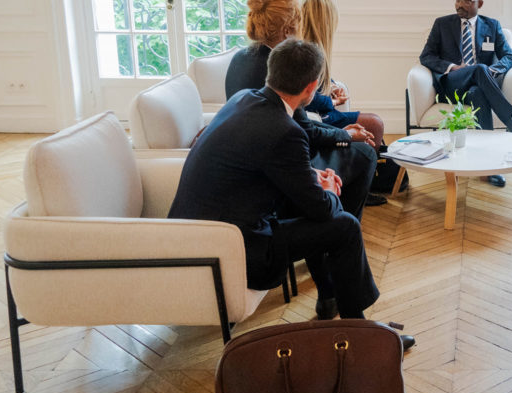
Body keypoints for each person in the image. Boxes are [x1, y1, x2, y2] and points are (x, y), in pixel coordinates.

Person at [169, 39, 413, 350]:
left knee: (314, 210)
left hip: (193, 236)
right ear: (311, 88)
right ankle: (362, 332)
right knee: (344, 227)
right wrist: (327, 189)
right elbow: (322, 209)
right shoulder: (285, 130)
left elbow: (258, 164)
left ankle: (338, 304)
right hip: (237, 250)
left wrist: (309, 175)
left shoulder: (243, 99)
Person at [225, 0, 383, 212]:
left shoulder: (241, 57)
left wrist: (342, 133)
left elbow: (302, 123)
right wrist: (346, 135)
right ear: (287, 30)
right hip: (281, 159)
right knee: (364, 153)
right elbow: (306, 131)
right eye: (299, 23)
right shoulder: (281, 65)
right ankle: (338, 219)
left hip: (249, 154)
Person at [419, 0, 512, 187]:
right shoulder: (442, 24)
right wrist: (452, 67)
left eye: (467, 0)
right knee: (479, 68)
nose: (460, 4)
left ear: (479, 4)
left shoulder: (492, 26)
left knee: (478, 90)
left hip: (480, 85)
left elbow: (509, 57)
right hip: (452, 84)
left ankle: (488, 167)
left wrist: (494, 70)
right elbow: (426, 56)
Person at [299, 0, 385, 148]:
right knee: (375, 123)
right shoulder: (307, 53)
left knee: (374, 122)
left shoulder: (313, 49)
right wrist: (333, 102)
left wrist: (330, 85)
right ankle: (368, 161)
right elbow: (305, 97)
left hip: (324, 114)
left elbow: (316, 82)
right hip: (320, 118)